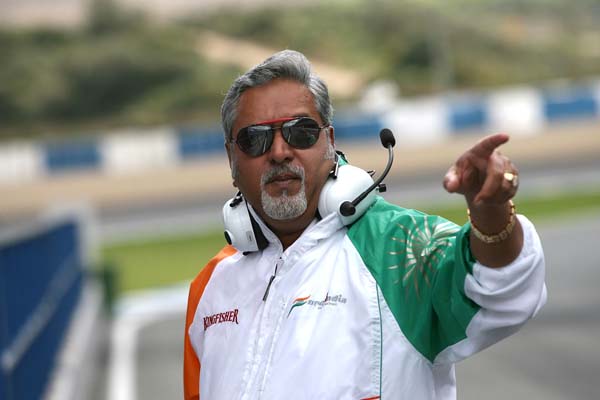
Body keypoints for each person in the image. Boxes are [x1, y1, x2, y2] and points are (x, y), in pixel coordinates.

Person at [183, 50, 546, 400]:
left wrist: (491, 211)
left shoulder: (400, 246)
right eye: (255, 139)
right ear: (232, 159)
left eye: (301, 131)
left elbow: (503, 292)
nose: (279, 151)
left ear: (330, 142)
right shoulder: (212, 285)